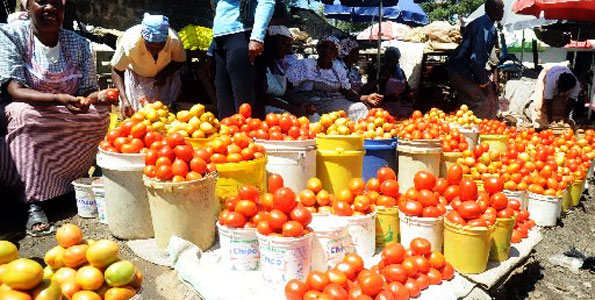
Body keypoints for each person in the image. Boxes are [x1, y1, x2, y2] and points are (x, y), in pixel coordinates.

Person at [0, 0, 111, 236]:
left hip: (65, 111)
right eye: (42, 1)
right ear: (26, 5)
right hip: (30, 109)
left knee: (101, 115)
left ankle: (73, 180)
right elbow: (14, 89)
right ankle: (32, 202)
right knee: (24, 116)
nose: (50, 7)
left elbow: (86, 90)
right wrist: (59, 98)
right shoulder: (11, 35)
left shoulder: (78, 42)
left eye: (57, 2)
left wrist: (97, 97)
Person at [286, 36, 383, 121]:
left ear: (336, 53)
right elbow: (287, 89)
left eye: (332, 49)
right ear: (318, 49)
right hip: (311, 102)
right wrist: (299, 103)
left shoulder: (338, 69)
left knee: (361, 107)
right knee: (356, 109)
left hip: (334, 100)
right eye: (324, 47)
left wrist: (367, 98)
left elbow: (348, 93)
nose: (327, 51)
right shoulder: (306, 65)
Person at [111, 13, 186, 117]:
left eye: (159, 48)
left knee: (163, 113)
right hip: (137, 77)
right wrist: (124, 99)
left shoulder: (174, 41)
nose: (154, 52)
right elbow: (117, 70)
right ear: (143, 38)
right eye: (150, 48)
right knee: (138, 114)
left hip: (163, 78)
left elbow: (179, 61)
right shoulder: (130, 43)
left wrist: (164, 74)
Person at [212, 0, 275, 119]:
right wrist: (212, 47)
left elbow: (267, 2)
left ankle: (249, 136)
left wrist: (257, 37)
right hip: (220, 38)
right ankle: (226, 136)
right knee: (224, 100)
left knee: (245, 104)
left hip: (243, 34)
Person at [447, 0, 504, 119]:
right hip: (462, 70)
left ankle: (461, 132)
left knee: (466, 106)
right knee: (480, 104)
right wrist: (482, 81)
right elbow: (477, 58)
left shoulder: (479, 22)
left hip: (457, 68)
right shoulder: (486, 28)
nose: (503, 12)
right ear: (494, 9)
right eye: (501, 9)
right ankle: (474, 133)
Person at [262, 25, 313, 116]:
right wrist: (291, 108)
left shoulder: (277, 65)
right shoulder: (260, 65)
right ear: (271, 43)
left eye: (289, 45)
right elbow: (263, 96)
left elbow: (283, 93)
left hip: (279, 104)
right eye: (283, 44)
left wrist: (299, 104)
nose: (287, 48)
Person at [364, 47, 414, 120]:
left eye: (394, 60)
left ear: (397, 60)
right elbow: (368, 88)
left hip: (399, 103)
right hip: (384, 103)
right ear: (385, 59)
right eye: (389, 59)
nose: (391, 62)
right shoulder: (378, 71)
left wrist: (408, 94)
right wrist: (380, 80)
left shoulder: (400, 72)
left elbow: (406, 88)